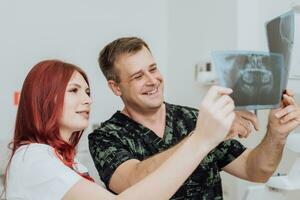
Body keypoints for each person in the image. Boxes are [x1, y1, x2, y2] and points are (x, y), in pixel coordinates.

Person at [88, 37, 300, 199]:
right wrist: (202, 137)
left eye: (153, 69)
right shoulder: (105, 138)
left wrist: (276, 134)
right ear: (115, 87)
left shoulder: (193, 118)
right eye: (138, 76)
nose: (153, 80)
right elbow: (132, 182)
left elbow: (255, 171)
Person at [2, 60, 239, 200]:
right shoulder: (33, 158)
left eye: (87, 92)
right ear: (43, 98)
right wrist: (200, 140)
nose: (87, 100)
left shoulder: (70, 164)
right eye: (74, 91)